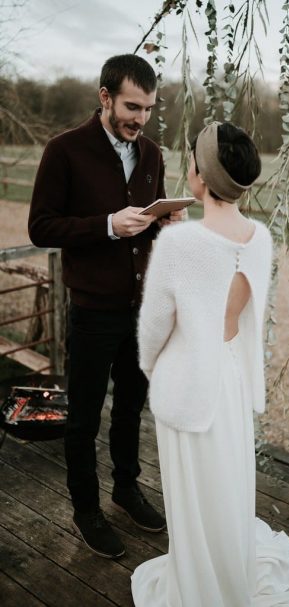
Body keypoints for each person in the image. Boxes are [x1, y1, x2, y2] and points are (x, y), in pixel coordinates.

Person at [132, 121, 289, 606]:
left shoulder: (177, 244)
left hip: (187, 377)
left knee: (192, 490)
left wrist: (154, 368)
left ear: (199, 174)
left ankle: (198, 583)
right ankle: (228, 567)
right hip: (230, 376)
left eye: (192, 159)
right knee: (226, 478)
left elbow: (153, 327)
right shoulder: (258, 237)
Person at [28, 54, 182, 559]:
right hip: (94, 310)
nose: (141, 118)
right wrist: (107, 225)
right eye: (132, 107)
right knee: (84, 417)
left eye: (149, 109)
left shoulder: (154, 154)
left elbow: (149, 217)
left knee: (131, 410)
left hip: (143, 310)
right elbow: (42, 227)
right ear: (104, 97)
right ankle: (87, 508)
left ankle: (125, 487)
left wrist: (165, 224)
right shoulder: (64, 151)